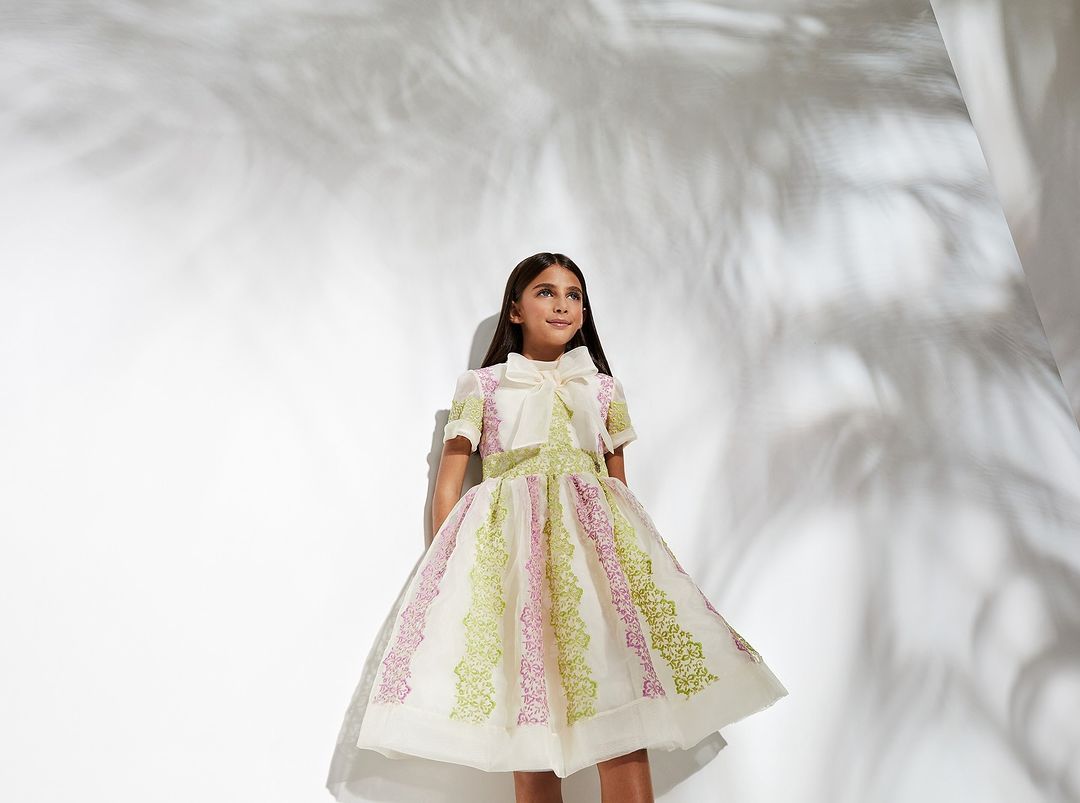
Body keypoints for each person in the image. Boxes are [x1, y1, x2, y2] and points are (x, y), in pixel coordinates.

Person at [326, 253, 788, 803]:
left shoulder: (603, 389)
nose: (562, 304)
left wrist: (630, 573)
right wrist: (450, 573)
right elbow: (448, 485)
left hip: (593, 574)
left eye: (574, 295)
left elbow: (619, 490)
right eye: (545, 292)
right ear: (515, 309)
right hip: (515, 570)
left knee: (622, 717)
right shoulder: (483, 387)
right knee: (532, 729)